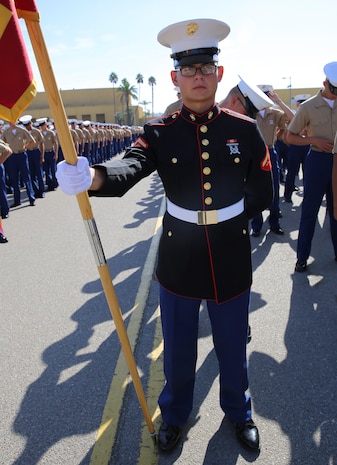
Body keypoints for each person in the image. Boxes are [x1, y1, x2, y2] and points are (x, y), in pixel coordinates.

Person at [56, 18, 273, 452]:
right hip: (179, 258)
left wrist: (228, 223)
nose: (198, 77)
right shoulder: (159, 132)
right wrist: (92, 176)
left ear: (219, 74)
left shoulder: (244, 131)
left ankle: (239, 411)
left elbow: (263, 191)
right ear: (175, 78)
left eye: (205, 69)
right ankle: (173, 414)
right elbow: (129, 169)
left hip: (229, 255)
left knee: (232, 344)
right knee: (177, 349)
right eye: (188, 71)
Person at [287, 62, 337, 272]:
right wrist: (313, 139)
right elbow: (290, 136)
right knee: (310, 210)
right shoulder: (308, 107)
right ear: (324, 83)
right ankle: (302, 257)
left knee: (336, 210)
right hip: (318, 160)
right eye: (333, 90)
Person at [250, 85, 290, 237]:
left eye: (267, 95)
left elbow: (292, 119)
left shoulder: (274, 113)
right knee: (254, 190)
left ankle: (274, 223)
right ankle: (256, 225)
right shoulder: (250, 112)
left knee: (273, 189)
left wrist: (278, 101)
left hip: (270, 151)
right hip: (254, 154)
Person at [283, 94, 311, 203]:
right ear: (297, 104)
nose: (302, 105)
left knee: (308, 173)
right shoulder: (294, 114)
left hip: (307, 145)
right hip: (295, 146)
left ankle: (307, 196)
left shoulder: (310, 115)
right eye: (300, 103)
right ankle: (288, 194)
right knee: (291, 172)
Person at [2, 120, 36, 207]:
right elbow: (2, 142)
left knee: (26, 177)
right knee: (14, 179)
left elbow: (32, 141)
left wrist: (26, 147)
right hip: (12, 156)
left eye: (12, 121)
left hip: (21, 154)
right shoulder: (6, 132)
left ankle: (31, 198)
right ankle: (17, 200)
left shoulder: (21, 130)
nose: (10, 123)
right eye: (9, 121)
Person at [19, 115, 46, 199]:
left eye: (28, 125)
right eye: (26, 125)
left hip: (36, 152)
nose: (28, 127)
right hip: (28, 153)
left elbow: (41, 143)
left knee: (39, 173)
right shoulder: (23, 133)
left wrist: (42, 155)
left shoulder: (37, 131)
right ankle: (35, 190)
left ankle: (42, 191)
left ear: (31, 123)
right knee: (31, 173)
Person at [36, 118, 59, 191]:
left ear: (46, 125)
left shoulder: (51, 133)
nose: (43, 126)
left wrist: (56, 153)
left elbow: (55, 143)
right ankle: (49, 184)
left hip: (50, 152)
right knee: (46, 170)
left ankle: (54, 183)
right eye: (41, 125)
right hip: (44, 153)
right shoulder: (39, 133)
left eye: (43, 125)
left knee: (53, 169)